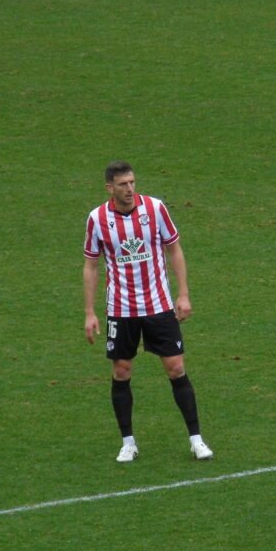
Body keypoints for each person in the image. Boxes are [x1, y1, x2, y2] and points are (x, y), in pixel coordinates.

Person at [83, 161, 214, 463]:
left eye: (132, 182)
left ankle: (196, 439)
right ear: (110, 188)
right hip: (121, 308)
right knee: (121, 371)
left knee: (176, 368)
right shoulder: (97, 219)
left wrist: (183, 294)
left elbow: (174, 249)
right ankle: (128, 442)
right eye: (123, 184)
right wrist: (90, 312)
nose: (130, 189)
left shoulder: (155, 209)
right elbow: (91, 266)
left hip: (158, 305)